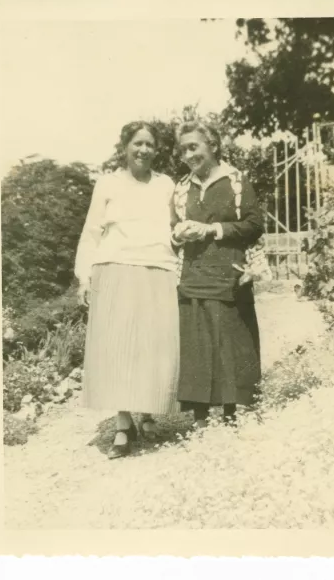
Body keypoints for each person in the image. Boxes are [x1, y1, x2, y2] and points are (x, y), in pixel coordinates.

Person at [75, 121, 179, 460]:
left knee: (151, 345)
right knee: (119, 347)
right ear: (125, 147)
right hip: (115, 268)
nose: (144, 150)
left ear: (156, 149)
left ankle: (147, 412)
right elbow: (92, 232)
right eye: (137, 143)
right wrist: (83, 277)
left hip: (158, 268)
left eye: (149, 144)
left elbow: (176, 228)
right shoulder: (107, 183)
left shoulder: (166, 185)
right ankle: (123, 423)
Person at [172, 120, 263, 428]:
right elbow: (172, 231)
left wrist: (212, 229)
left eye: (194, 146)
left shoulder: (236, 181)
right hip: (194, 273)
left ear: (211, 146)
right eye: (184, 149)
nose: (188, 154)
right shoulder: (182, 188)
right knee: (196, 342)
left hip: (228, 271)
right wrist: (180, 233)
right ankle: (199, 417)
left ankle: (230, 413)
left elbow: (254, 225)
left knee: (228, 341)